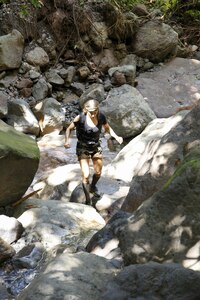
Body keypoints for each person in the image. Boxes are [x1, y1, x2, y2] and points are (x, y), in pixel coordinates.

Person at [64, 99, 123, 205]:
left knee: (98, 172)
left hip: (96, 147)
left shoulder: (101, 117)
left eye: (95, 111)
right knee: (86, 175)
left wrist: (116, 136)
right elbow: (69, 129)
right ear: (86, 109)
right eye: (90, 112)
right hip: (83, 147)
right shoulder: (80, 118)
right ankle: (88, 200)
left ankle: (92, 186)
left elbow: (108, 128)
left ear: (98, 109)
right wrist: (67, 141)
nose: (93, 114)